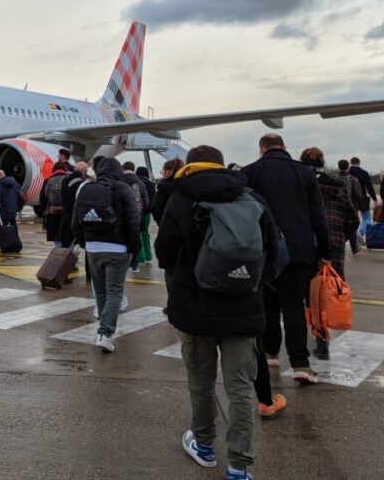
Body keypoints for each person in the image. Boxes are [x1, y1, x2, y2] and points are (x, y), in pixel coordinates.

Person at [155, 145, 278, 480]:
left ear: (190, 166)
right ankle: (240, 465)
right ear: (222, 166)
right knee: (240, 387)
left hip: (195, 310)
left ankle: (205, 444)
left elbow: (163, 253)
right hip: (244, 309)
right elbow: (275, 253)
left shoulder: (180, 200)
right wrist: (250, 284)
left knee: (201, 381)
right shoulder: (252, 199)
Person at [243, 133, 330, 385]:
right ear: (284, 147)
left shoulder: (251, 172)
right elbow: (318, 217)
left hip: (262, 250)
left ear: (261, 149)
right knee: (293, 306)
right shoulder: (304, 173)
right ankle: (300, 363)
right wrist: (325, 252)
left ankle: (270, 352)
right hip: (298, 250)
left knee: (267, 303)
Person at [72, 157, 141, 353]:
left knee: (101, 292)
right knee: (115, 291)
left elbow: (76, 221)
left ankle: (103, 330)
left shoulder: (87, 188)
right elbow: (133, 221)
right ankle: (106, 333)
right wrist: (133, 248)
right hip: (117, 248)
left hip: (93, 248)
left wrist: (84, 242)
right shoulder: (123, 189)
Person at [300, 148, 359, 361]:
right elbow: (353, 219)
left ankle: (317, 339)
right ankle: (323, 340)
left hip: (306, 245)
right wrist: (340, 237)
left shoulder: (301, 187)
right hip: (333, 246)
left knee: (309, 296)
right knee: (327, 294)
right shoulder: (338, 187)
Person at [120, 161, 149, 273]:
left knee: (121, 239)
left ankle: (123, 263)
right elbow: (146, 201)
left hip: (120, 216)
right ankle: (135, 264)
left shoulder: (118, 181)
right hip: (136, 216)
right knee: (135, 239)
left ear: (123, 168)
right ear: (133, 169)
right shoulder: (140, 183)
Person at [338, 159, 365, 255]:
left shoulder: (334, 179)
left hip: (338, 207)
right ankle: (354, 247)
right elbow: (358, 195)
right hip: (351, 206)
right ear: (348, 167)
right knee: (352, 225)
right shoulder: (353, 179)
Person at [349, 157, 377, 245]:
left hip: (349, 199)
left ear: (351, 162)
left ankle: (354, 238)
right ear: (359, 163)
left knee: (352, 219)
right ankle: (360, 232)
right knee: (366, 218)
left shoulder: (347, 173)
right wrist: (374, 199)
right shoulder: (363, 173)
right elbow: (369, 186)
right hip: (362, 198)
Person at [39, 164, 69, 247]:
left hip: (52, 213)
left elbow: (42, 199)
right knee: (66, 237)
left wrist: (46, 209)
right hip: (65, 213)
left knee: (56, 237)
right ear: (65, 170)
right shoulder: (68, 180)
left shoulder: (48, 180)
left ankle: (58, 253)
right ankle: (67, 255)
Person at [59, 161, 88, 249]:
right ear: (84, 171)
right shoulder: (81, 183)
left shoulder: (65, 180)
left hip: (65, 213)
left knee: (66, 241)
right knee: (74, 239)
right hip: (74, 215)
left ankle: (64, 258)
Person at [136, 166, 156, 264]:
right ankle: (148, 255)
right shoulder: (152, 185)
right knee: (145, 233)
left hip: (139, 211)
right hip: (148, 213)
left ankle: (140, 257)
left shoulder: (137, 184)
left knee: (138, 233)